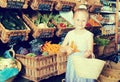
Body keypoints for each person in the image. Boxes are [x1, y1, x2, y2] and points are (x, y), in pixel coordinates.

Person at [60, 8, 95, 82]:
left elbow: (90, 51)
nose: (80, 23)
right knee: (73, 78)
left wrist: (87, 54)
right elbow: (61, 48)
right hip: (72, 62)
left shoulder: (89, 35)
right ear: (73, 19)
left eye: (83, 20)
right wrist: (66, 48)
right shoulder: (70, 34)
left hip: (84, 62)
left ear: (87, 21)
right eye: (78, 20)